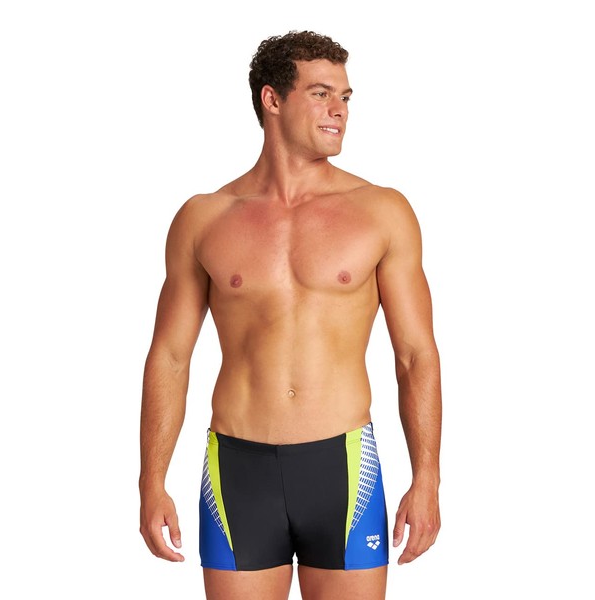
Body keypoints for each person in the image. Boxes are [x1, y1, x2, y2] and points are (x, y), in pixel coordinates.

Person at [139, 30, 442, 600]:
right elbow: (171, 356)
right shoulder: (205, 218)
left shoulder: (382, 211)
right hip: (238, 470)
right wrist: (150, 481)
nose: (339, 110)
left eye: (345, 97)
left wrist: (427, 478)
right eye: (321, 94)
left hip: (344, 469)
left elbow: (414, 355)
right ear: (272, 99)